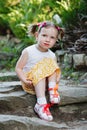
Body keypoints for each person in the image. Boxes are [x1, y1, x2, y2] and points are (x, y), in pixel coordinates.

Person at [15, 21, 64, 121]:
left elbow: (54, 70)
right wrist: (24, 79)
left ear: (56, 40)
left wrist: (56, 79)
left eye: (52, 37)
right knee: (44, 66)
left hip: (44, 85)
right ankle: (41, 104)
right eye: (44, 35)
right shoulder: (29, 51)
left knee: (52, 65)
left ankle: (52, 91)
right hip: (31, 83)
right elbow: (18, 68)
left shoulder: (52, 55)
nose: (47, 40)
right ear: (37, 35)